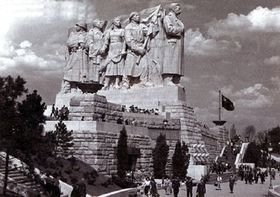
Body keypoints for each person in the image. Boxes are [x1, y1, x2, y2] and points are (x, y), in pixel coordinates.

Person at [124, 12, 149, 88]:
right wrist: (137, 49)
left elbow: (149, 33)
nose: (138, 17)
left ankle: (143, 81)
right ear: (132, 17)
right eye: (136, 15)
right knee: (129, 66)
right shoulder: (128, 27)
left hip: (142, 47)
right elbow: (128, 41)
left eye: (138, 15)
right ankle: (126, 82)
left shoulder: (141, 26)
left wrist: (151, 26)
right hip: (132, 50)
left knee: (144, 66)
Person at [162, 3, 184, 86]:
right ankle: (168, 79)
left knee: (177, 62)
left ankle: (176, 80)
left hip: (178, 44)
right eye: (177, 7)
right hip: (171, 43)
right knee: (170, 61)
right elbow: (169, 29)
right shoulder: (168, 18)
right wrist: (180, 30)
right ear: (172, 9)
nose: (179, 8)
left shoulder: (179, 20)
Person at [101, 16, 126, 89]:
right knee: (109, 66)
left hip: (119, 47)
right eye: (117, 20)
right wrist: (103, 48)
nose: (119, 22)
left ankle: (116, 83)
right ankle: (106, 84)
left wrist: (123, 49)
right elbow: (106, 42)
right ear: (113, 22)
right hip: (112, 48)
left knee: (119, 67)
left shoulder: (122, 31)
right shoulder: (109, 31)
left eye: (119, 21)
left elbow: (124, 41)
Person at [62, 22, 88, 93]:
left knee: (81, 71)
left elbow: (89, 44)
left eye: (77, 25)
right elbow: (68, 43)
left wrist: (85, 45)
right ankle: (69, 86)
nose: (75, 26)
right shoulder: (72, 34)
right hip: (74, 54)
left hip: (83, 54)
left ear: (81, 26)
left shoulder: (86, 35)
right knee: (70, 70)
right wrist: (75, 44)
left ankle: (79, 87)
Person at [86, 19, 106, 83]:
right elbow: (90, 43)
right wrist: (96, 51)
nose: (101, 24)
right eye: (99, 22)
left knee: (100, 67)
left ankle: (100, 81)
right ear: (95, 24)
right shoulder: (91, 32)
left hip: (101, 53)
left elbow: (104, 42)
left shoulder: (101, 33)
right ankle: (93, 81)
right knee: (94, 67)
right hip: (94, 53)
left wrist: (103, 49)